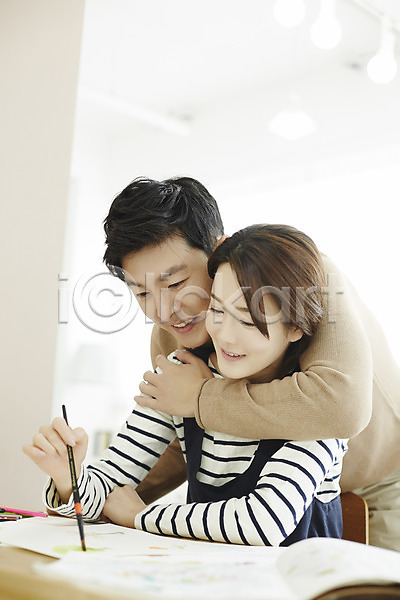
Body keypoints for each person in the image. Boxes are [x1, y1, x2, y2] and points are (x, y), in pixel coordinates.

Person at [25, 177, 400, 549]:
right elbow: (182, 438)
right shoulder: (175, 342)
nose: (162, 311)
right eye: (141, 292)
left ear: (219, 250)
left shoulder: (301, 278)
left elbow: (340, 408)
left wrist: (199, 399)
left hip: (376, 480)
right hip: (239, 530)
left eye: (176, 284)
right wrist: (76, 485)